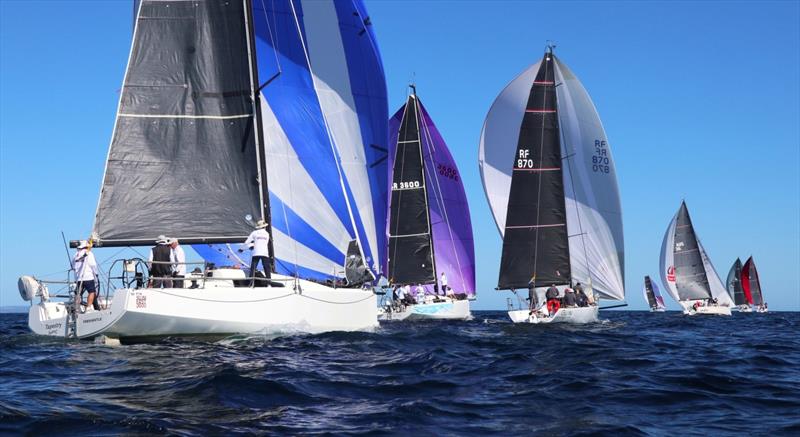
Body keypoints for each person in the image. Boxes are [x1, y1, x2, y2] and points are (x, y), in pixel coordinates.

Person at [240, 220, 271, 286]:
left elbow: (247, 242)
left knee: (253, 268)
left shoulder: (254, 233)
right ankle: (269, 282)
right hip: (265, 253)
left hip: (256, 252)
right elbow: (265, 243)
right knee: (266, 267)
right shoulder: (267, 234)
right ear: (264, 226)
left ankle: (251, 282)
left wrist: (242, 248)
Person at [73, 240, 101, 311]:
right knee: (91, 292)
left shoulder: (75, 255)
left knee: (78, 293)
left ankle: (77, 308)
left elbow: (73, 266)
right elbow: (93, 265)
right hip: (88, 277)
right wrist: (96, 274)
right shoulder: (89, 253)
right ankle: (88, 308)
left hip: (78, 278)